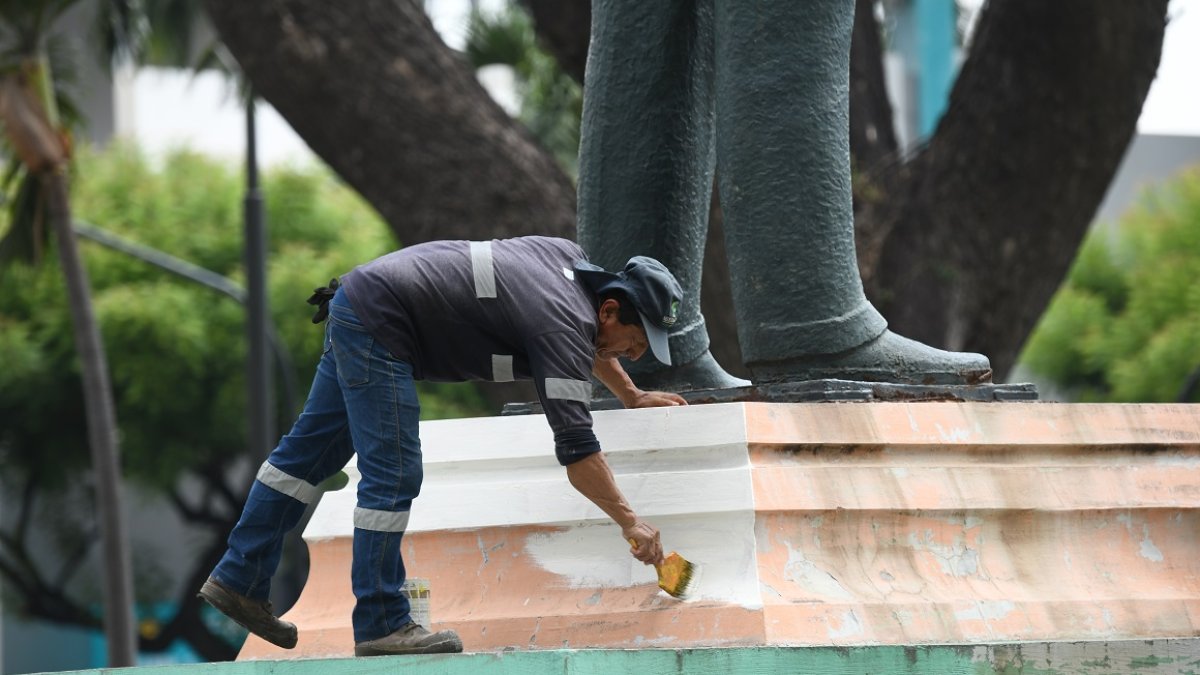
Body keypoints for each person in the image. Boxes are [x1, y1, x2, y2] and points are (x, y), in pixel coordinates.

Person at [198, 236, 687, 657]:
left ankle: (239, 578)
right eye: (635, 343)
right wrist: (631, 521)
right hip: (382, 324)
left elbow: (591, 342)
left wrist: (631, 394)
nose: (632, 355)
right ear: (609, 309)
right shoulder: (562, 323)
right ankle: (382, 622)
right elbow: (578, 452)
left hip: (361, 304)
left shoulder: (568, 266)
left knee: (304, 459)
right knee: (394, 473)